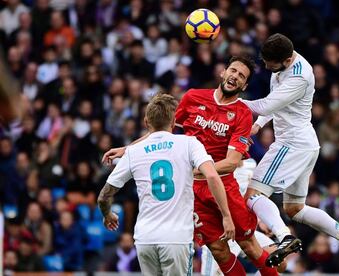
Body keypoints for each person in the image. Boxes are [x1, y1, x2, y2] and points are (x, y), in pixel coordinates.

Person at [102, 56, 279, 276]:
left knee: (249, 246)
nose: (235, 76)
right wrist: (128, 148)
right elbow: (159, 131)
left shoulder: (242, 114)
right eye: (233, 71)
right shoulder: (193, 97)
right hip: (192, 193)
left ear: (244, 86)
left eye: (241, 76)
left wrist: (198, 169)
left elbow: (233, 162)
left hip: (223, 187)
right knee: (218, 250)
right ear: (223, 72)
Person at [241, 33, 339, 275]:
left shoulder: (299, 75)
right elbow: (273, 104)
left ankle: (284, 237)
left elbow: (266, 105)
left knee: (251, 195)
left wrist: (225, 100)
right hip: (305, 143)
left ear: (287, 60)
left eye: (271, 64)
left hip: (291, 144)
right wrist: (257, 125)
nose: (267, 67)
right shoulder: (281, 63)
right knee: (295, 209)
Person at [97, 93, 235, 276]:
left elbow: (103, 196)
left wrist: (108, 214)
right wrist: (226, 215)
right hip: (176, 239)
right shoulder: (189, 144)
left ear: (146, 122)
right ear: (174, 121)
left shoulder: (133, 152)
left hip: (145, 239)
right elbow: (211, 175)